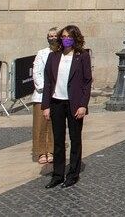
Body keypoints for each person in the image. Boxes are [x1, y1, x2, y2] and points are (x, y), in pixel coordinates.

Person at [41, 25, 92, 188]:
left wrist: (83, 105)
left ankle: (73, 174)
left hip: (74, 103)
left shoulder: (82, 56)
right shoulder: (53, 56)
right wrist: (46, 106)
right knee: (58, 140)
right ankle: (57, 175)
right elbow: (48, 82)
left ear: (75, 38)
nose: (65, 39)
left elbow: (87, 81)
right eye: (63, 36)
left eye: (69, 36)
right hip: (57, 102)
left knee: (75, 139)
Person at [31, 27, 57, 165]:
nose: (52, 38)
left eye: (54, 35)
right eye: (50, 36)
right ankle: (41, 151)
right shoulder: (41, 53)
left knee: (54, 124)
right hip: (41, 95)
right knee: (40, 124)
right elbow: (37, 72)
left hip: (57, 94)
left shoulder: (62, 53)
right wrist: (44, 88)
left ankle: (52, 150)